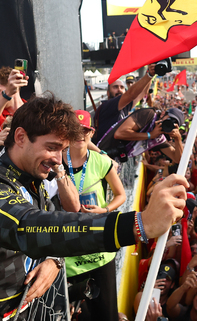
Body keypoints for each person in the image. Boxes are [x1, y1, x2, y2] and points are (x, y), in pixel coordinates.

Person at [0, 94, 187, 319]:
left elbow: (51, 225)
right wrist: (139, 223)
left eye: (63, 150)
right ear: (20, 137)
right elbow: (28, 227)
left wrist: (54, 260)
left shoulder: (31, 178)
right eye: (52, 147)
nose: (59, 159)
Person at [59, 109, 127, 321]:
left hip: (99, 251)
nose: (80, 134)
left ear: (91, 133)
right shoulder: (55, 162)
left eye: (85, 130)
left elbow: (121, 195)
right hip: (70, 254)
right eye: (76, 130)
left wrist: (104, 210)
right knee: (82, 316)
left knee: (106, 315)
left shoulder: (101, 161)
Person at [93, 63, 157, 143]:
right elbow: (131, 95)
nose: (119, 90)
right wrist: (149, 75)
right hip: (104, 153)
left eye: (122, 87)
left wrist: (151, 72)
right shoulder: (107, 106)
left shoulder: (124, 106)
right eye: (115, 87)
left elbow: (143, 93)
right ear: (108, 93)